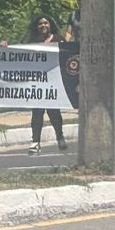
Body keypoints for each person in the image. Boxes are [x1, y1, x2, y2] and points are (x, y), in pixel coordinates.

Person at [24, 16, 68, 154]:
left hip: (54, 82)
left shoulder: (58, 39)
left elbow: (68, 55)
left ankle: (60, 137)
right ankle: (35, 141)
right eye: (40, 23)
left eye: (46, 22)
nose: (43, 25)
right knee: (37, 113)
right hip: (37, 82)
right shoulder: (31, 42)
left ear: (50, 24)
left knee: (54, 112)